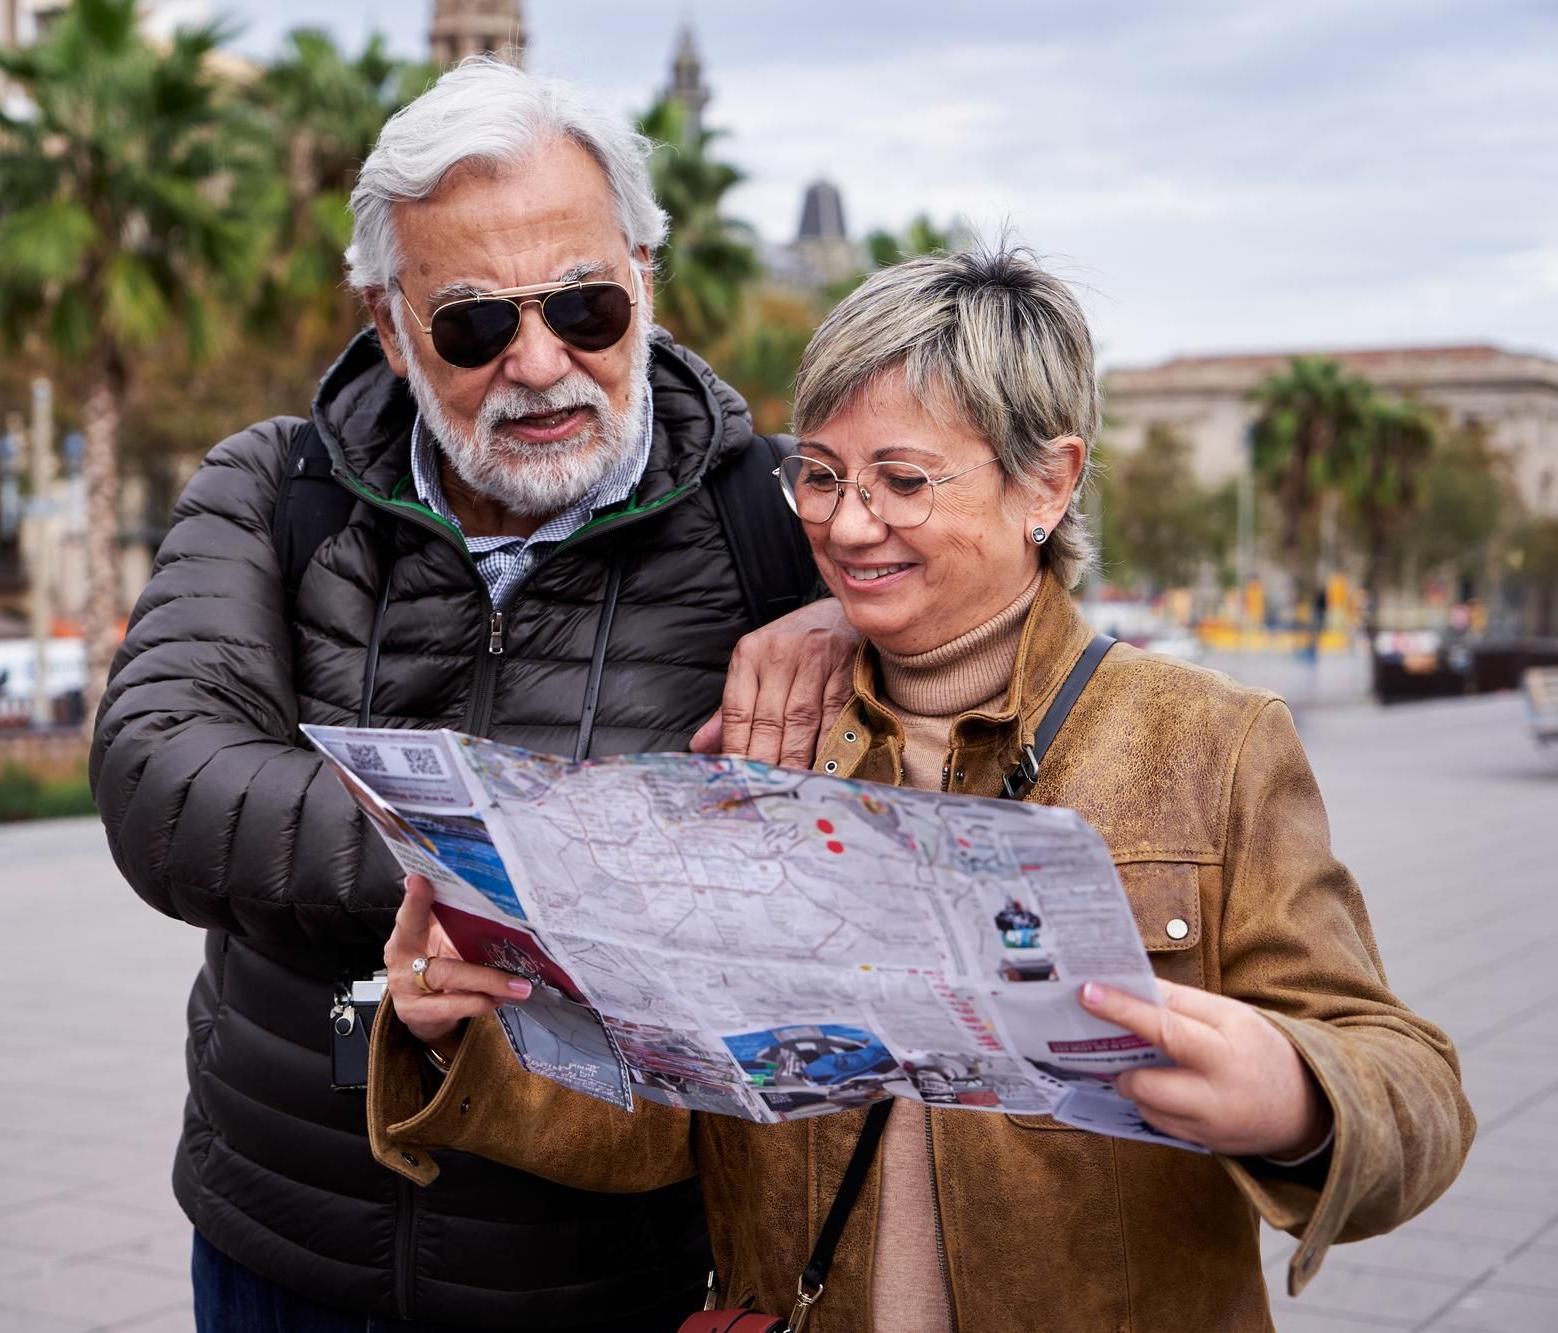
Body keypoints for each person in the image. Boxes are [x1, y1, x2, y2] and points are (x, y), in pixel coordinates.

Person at [369, 245, 1475, 1331]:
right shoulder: (764, 743)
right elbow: (671, 1125)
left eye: (902, 480)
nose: (846, 527)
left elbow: (1413, 1087)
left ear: (1046, 480)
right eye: (818, 474)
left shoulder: (1211, 743)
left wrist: (1294, 1096)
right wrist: (463, 1028)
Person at [89, 59, 858, 1333]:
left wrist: (858, 607)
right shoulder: (273, 487)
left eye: (587, 307)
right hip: (298, 1240)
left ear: (647, 279)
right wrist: (552, 852)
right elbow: (164, 778)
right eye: (472, 325)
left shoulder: (781, 519)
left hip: (630, 1268)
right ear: (389, 327)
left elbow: (1016, 615)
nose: (539, 361)